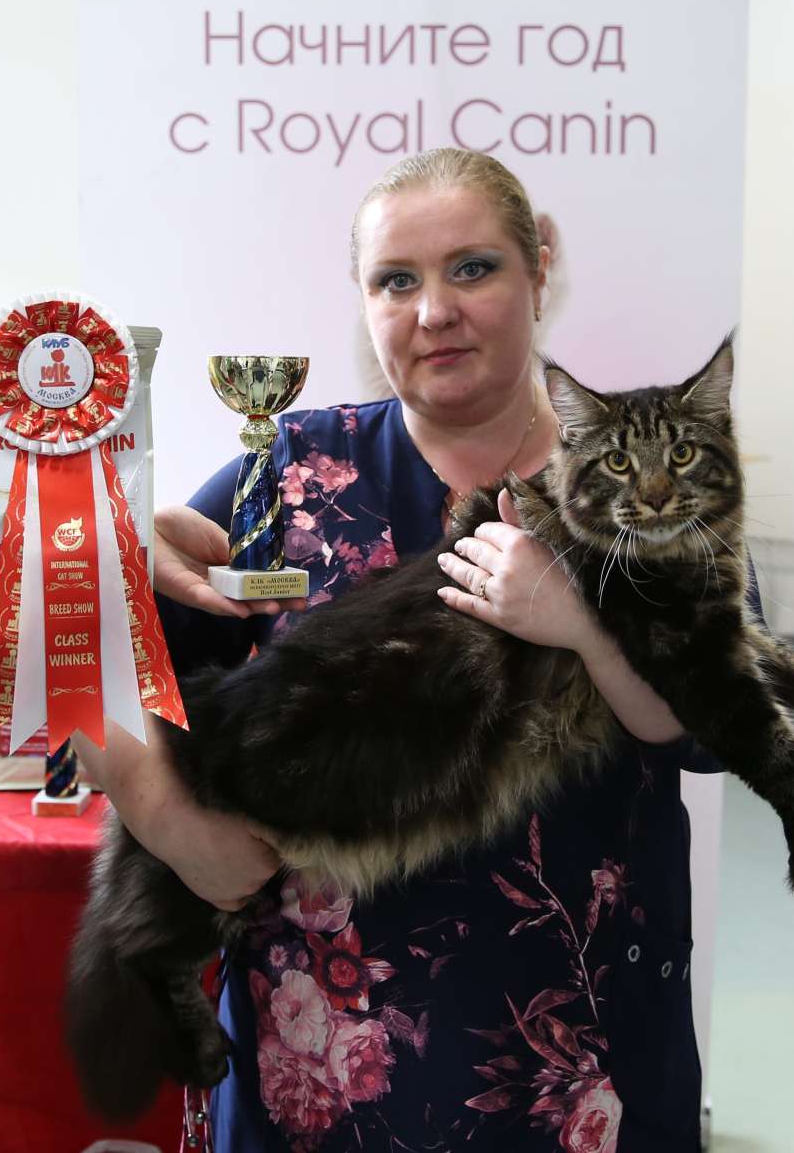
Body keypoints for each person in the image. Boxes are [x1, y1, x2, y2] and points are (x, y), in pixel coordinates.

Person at [80, 148, 718, 1151]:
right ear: (362, 300)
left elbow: (723, 725)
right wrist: (165, 815)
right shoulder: (288, 473)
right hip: (324, 1067)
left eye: (474, 268)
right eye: (395, 281)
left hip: (583, 1053)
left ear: (539, 269)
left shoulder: (645, 473)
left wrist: (585, 625)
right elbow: (80, 662)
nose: (435, 311)